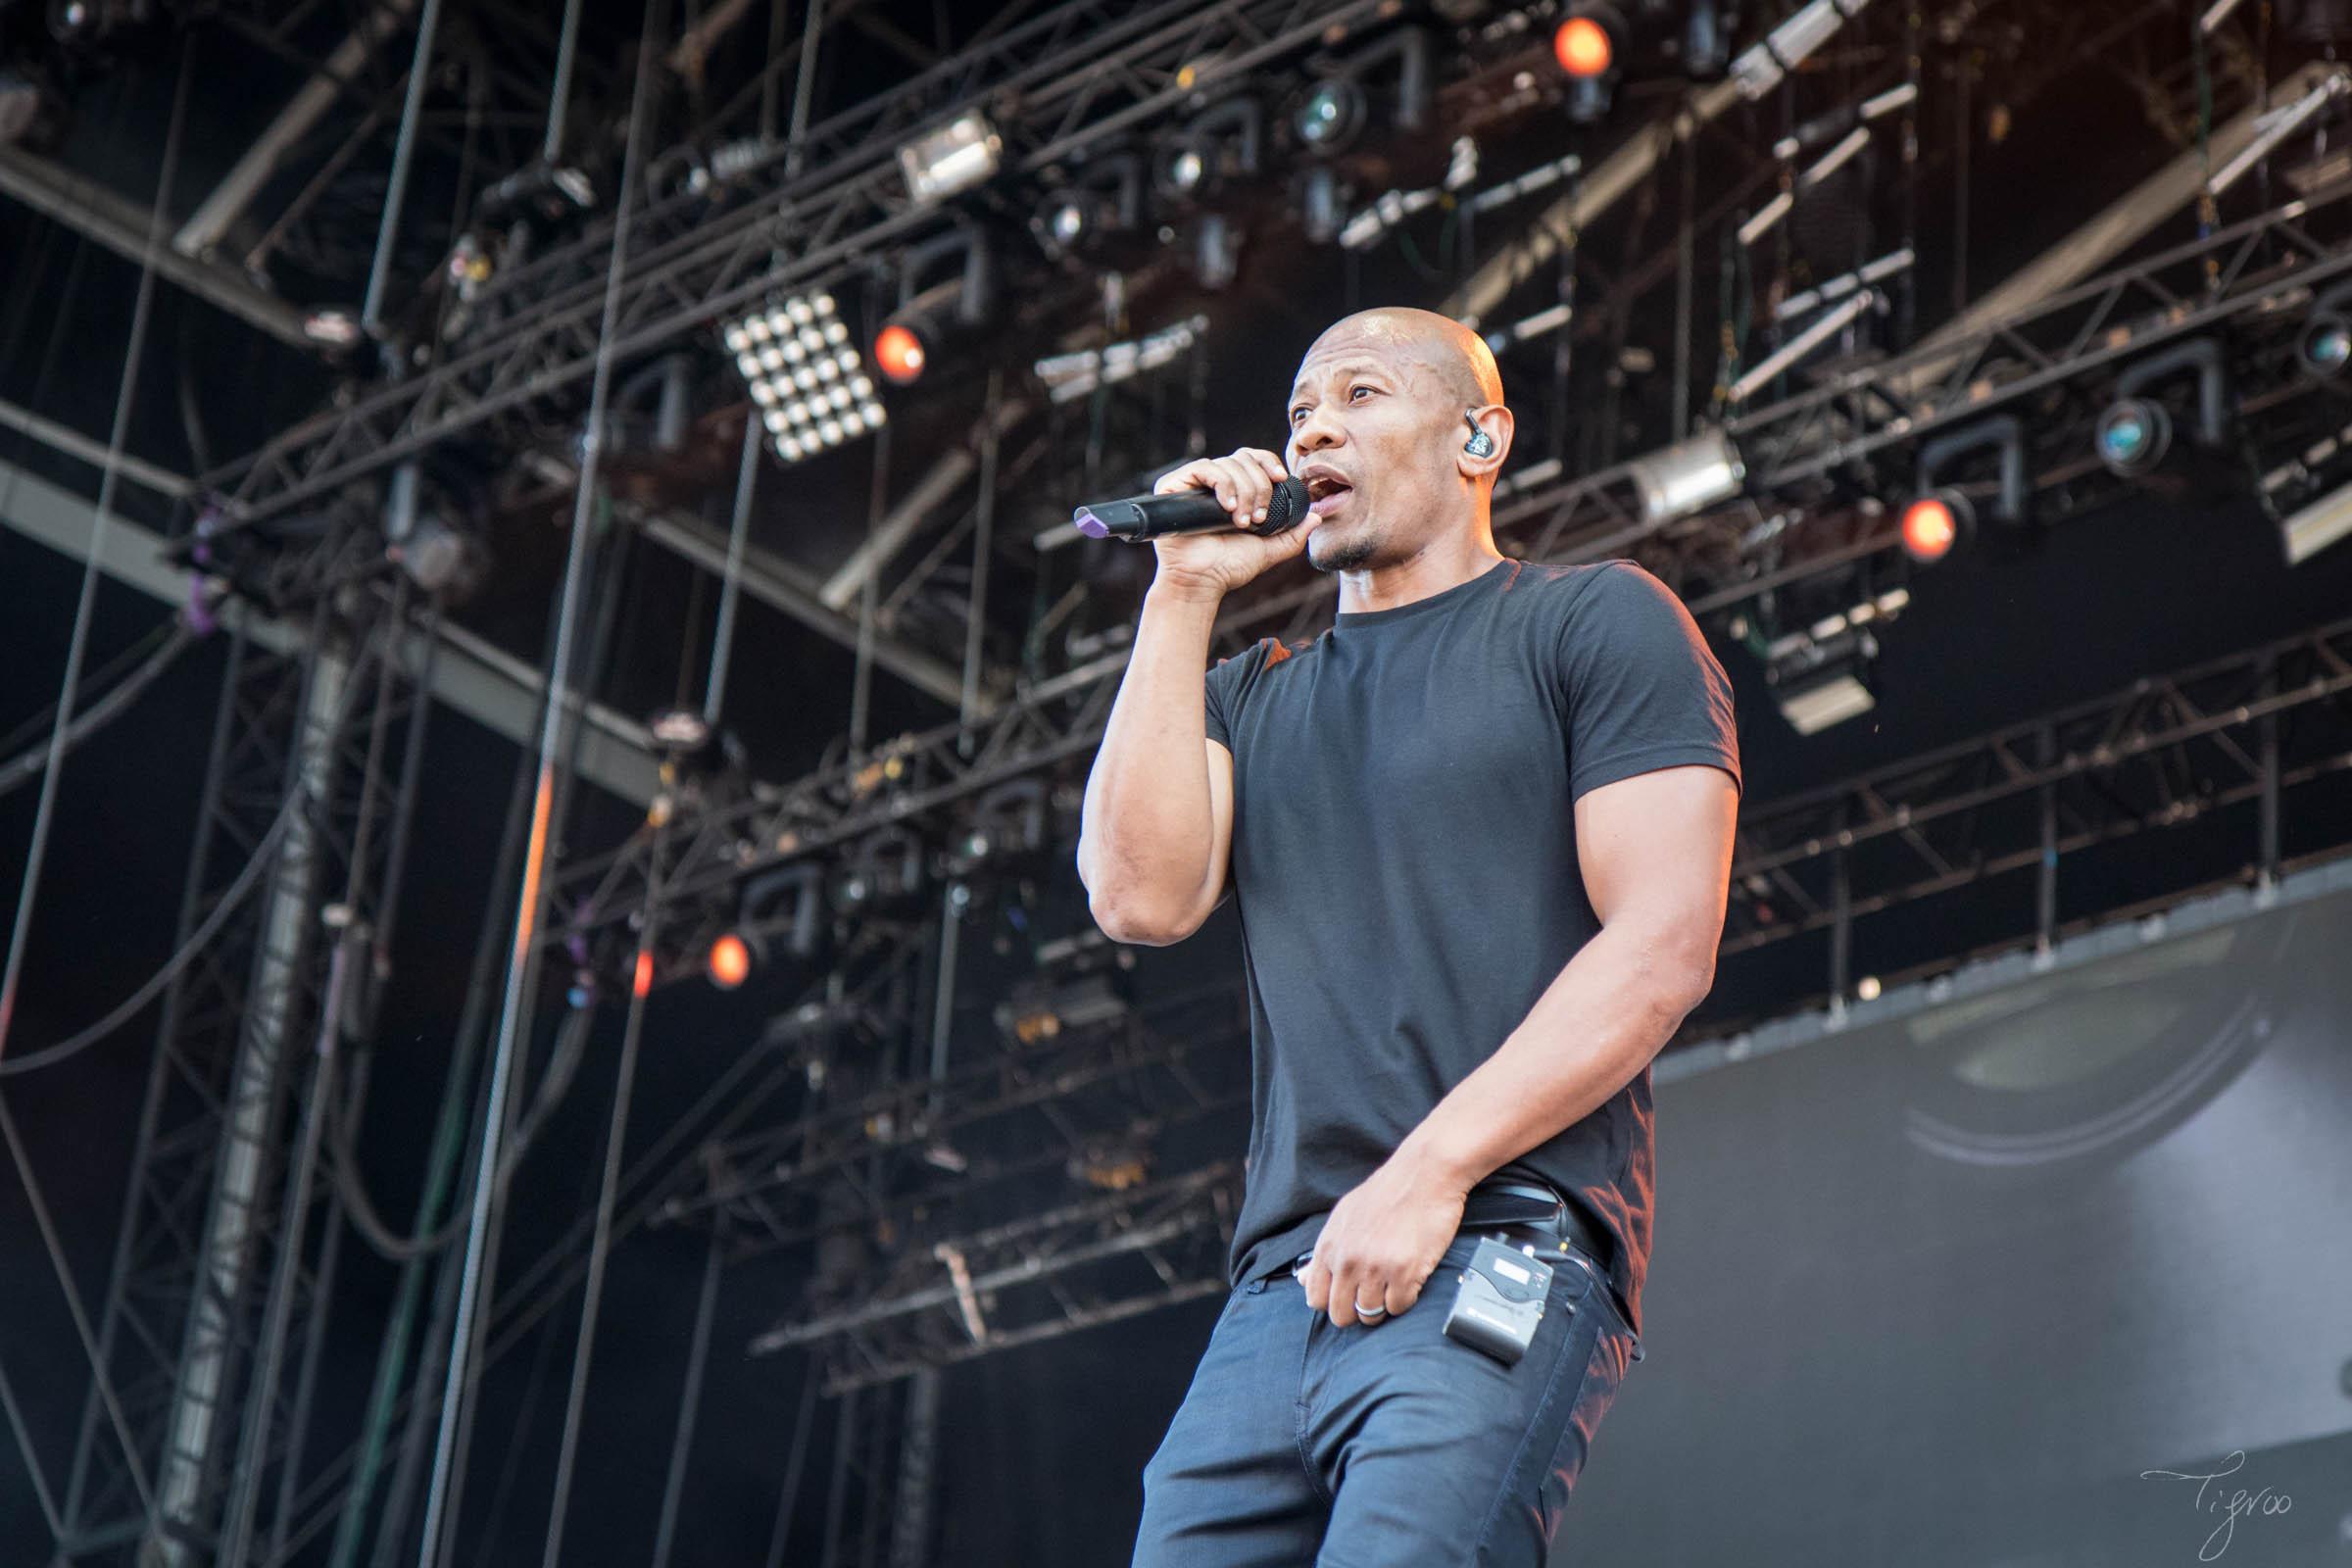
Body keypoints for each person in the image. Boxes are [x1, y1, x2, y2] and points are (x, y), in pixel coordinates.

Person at [1077, 306, 1741, 1567]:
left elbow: (1663, 944)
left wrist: (1429, 1172)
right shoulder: (1251, 694)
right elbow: (1136, 899)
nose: (1314, 425)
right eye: (1298, 412)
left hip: (1498, 1232)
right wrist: (1184, 591)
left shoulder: (1593, 623)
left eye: (1362, 395)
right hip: (1285, 1290)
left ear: (1479, 436)